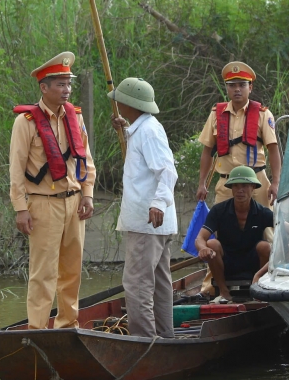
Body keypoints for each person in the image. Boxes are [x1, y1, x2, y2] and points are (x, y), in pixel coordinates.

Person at [9, 51, 96, 329]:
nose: (67, 90)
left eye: (68, 84)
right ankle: (37, 330)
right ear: (44, 88)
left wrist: (87, 194)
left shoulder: (75, 117)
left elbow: (86, 160)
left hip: (74, 203)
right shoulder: (26, 122)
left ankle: (67, 326)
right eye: (60, 84)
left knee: (72, 271)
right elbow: (16, 169)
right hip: (43, 203)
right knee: (43, 273)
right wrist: (20, 208)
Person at [195, 61, 281, 296]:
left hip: (257, 181)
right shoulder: (216, 114)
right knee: (216, 236)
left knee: (269, 233)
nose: (237, 90)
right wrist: (202, 183)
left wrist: (275, 182)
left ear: (250, 88)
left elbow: (273, 149)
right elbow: (207, 151)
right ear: (227, 88)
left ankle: (273, 279)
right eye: (232, 85)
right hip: (226, 183)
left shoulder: (262, 114)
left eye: (242, 85)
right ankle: (212, 286)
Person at [110, 77, 178, 338]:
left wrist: (158, 203)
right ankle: (165, 338)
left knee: (137, 284)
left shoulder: (148, 131)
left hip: (148, 222)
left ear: (130, 103)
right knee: (159, 284)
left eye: (121, 101)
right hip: (154, 224)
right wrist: (125, 128)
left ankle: (145, 342)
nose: (117, 104)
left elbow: (167, 171)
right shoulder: (144, 128)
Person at [194, 166, 273, 303]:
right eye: (236, 186)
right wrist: (203, 249)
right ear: (231, 188)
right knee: (211, 244)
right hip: (227, 263)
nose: (240, 190)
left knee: (265, 247)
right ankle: (224, 291)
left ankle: (260, 289)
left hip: (254, 264)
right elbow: (200, 238)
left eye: (244, 186)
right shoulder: (219, 210)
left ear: (253, 187)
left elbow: (285, 227)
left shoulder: (262, 212)